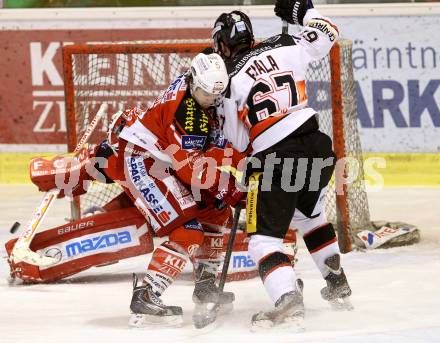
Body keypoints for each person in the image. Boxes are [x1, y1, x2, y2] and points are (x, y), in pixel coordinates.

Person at [211, 0, 352, 329]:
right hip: (317, 145)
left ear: (221, 44)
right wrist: (304, 11)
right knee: (310, 216)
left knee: (262, 240)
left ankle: (288, 301)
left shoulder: (228, 81)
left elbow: (241, 141)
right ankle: (337, 283)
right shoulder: (286, 44)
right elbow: (327, 31)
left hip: (275, 158)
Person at [100, 52, 244, 327]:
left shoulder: (195, 84)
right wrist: (230, 187)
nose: (210, 100)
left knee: (217, 213)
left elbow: (209, 149)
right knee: (187, 230)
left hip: (167, 158)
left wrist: (240, 164)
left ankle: (205, 284)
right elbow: (192, 171)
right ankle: (148, 293)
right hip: (144, 161)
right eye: (204, 94)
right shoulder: (189, 116)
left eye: (215, 94)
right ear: (193, 82)